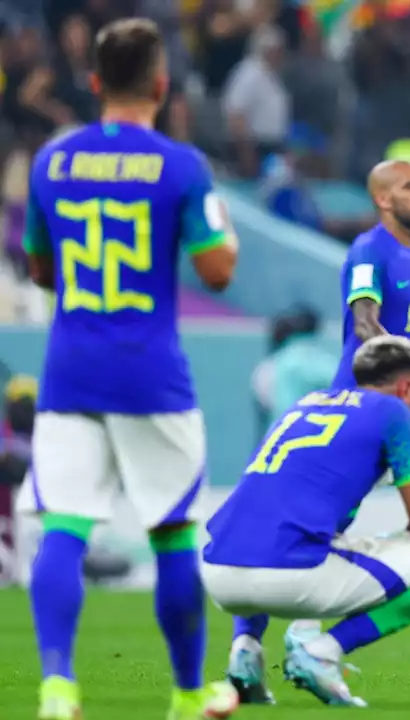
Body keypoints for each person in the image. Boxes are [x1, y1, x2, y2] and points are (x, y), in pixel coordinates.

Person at [223, 159, 410, 706]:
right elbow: (364, 321)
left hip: (404, 403)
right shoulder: (368, 250)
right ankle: (259, 642)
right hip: (366, 403)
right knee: (315, 523)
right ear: (384, 200)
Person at [17, 18, 240, 720]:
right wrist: (223, 228)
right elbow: (217, 270)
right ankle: (183, 694)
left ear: (93, 83)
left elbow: (41, 268)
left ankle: (57, 686)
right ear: (162, 83)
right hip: (151, 374)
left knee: (65, 526)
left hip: (69, 372)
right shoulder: (180, 165)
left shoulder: (51, 162)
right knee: (172, 530)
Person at [202, 336, 410, 708]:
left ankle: (245, 651)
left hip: (218, 572)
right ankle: (323, 652)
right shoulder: (393, 412)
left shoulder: (305, 403)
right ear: (407, 387)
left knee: (276, 530)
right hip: (289, 575)